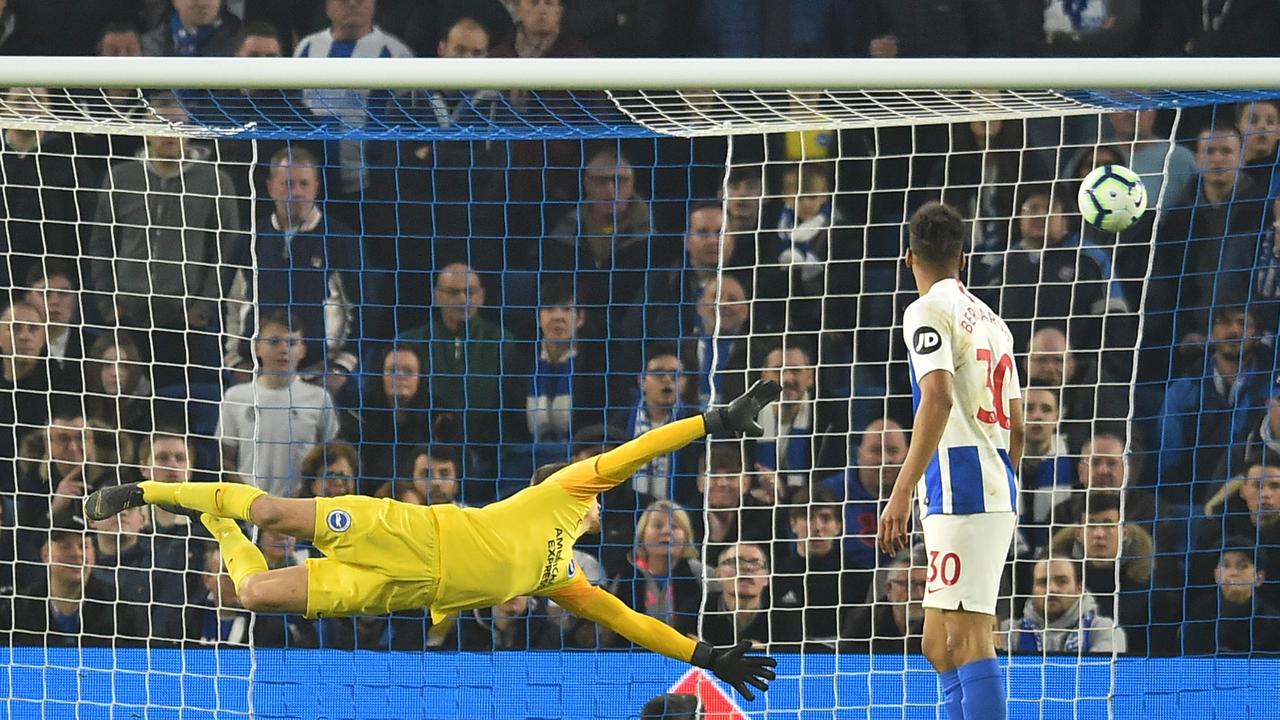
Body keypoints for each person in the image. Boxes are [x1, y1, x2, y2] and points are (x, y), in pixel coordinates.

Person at [86, 381, 783, 700]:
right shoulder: (563, 493)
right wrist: (713, 420)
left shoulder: (558, 578)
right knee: (274, 513)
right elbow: (636, 449)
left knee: (254, 590)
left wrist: (706, 653)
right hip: (400, 528)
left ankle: (212, 518)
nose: (608, 504)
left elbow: (625, 619)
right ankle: (150, 492)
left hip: (396, 588)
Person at [878, 202, 1023, 720]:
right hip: (978, 487)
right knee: (937, 645)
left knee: (968, 640)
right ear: (963, 256)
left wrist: (898, 491)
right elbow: (1019, 424)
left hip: (965, 488)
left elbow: (935, 397)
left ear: (908, 256)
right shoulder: (994, 321)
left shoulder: (924, 311)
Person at [218, 310, 341, 497]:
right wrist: (251, 498)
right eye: (274, 342)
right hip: (250, 509)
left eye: (292, 343)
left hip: (300, 507)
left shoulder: (319, 398)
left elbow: (328, 457)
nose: (284, 349)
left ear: (302, 350)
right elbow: (226, 460)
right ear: (257, 348)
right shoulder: (236, 396)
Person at [998, 557, 1127, 654]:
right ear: (1032, 589)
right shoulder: (1010, 631)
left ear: (1079, 589)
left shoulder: (1104, 630)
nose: (1052, 589)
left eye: (1062, 581)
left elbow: (1097, 680)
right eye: (1043, 582)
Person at [1181, 541, 1280, 655]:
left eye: (1243, 566)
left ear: (1259, 578)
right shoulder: (1200, 612)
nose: (1233, 573)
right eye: (1226, 565)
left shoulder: (1273, 621)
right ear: (1216, 575)